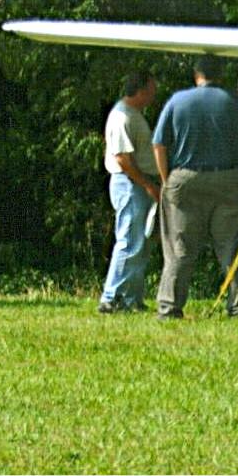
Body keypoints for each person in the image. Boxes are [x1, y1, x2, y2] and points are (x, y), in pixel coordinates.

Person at [152, 55, 238, 319]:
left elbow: (159, 144)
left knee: (180, 247)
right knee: (232, 247)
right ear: (221, 75)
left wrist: (168, 179)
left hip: (186, 179)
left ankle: (169, 306)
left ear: (196, 75)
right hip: (231, 180)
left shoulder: (177, 101)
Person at [99, 69, 158, 313]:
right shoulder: (121, 117)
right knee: (129, 241)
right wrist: (148, 185)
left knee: (141, 243)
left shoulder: (134, 114)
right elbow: (123, 159)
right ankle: (111, 297)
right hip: (129, 184)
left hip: (138, 184)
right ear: (141, 90)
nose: (154, 95)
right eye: (152, 90)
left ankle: (131, 298)